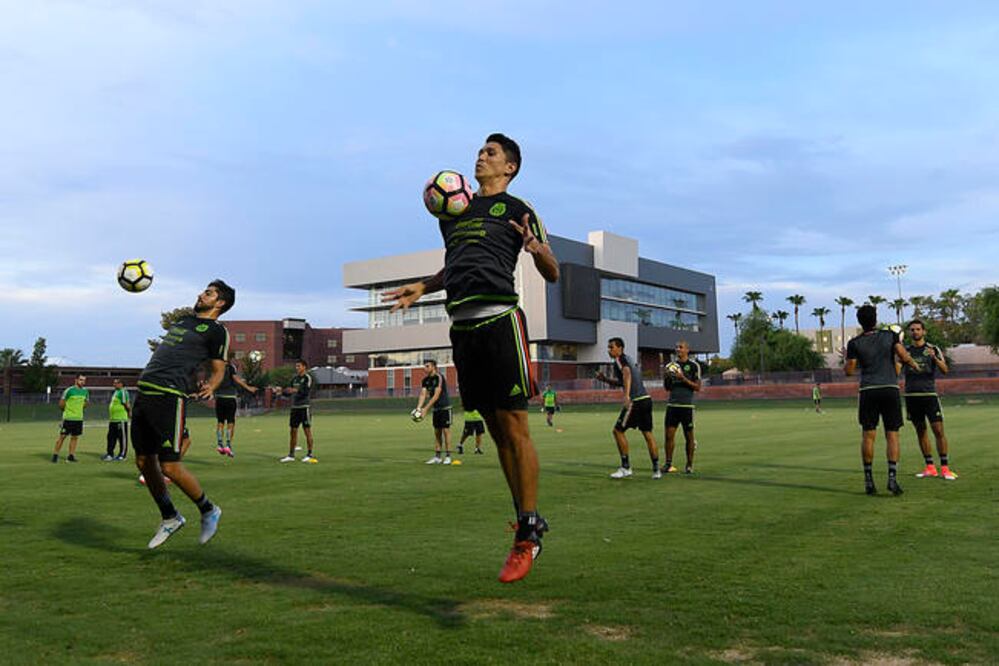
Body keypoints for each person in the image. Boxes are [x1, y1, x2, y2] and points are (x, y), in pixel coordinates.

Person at [384, 133, 559, 583]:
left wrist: (538, 251)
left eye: (491, 153)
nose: (481, 157)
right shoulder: (454, 212)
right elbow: (456, 264)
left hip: (501, 322)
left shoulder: (520, 210)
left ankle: (529, 530)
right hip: (463, 329)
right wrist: (423, 286)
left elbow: (553, 270)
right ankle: (524, 520)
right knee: (498, 431)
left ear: (510, 168)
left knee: (516, 425)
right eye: (480, 151)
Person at [131, 281, 231, 548]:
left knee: (170, 466)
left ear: (220, 303)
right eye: (203, 291)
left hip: (168, 396)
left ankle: (209, 510)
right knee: (143, 462)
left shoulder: (217, 331)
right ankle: (170, 517)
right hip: (145, 391)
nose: (201, 294)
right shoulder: (184, 321)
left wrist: (211, 384)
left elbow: (218, 369)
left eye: (209, 293)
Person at [844, 305, 920, 496]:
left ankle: (869, 480)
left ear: (859, 321)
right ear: (875, 319)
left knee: (868, 435)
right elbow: (902, 356)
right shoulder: (889, 336)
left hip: (868, 390)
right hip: (889, 388)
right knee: (892, 434)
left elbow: (849, 371)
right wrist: (913, 364)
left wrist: (848, 359)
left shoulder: (854, 343)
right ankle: (892, 479)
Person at [596, 338, 661, 479]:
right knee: (648, 434)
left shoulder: (620, 360)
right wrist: (605, 379)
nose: (609, 350)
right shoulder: (630, 359)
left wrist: (626, 396)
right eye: (608, 347)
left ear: (620, 348)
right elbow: (622, 381)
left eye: (611, 347)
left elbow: (626, 374)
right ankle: (656, 470)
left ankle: (626, 467)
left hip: (635, 401)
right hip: (646, 400)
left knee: (618, 431)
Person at [901, 319, 957, 481]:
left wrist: (935, 358)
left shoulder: (933, 349)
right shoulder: (905, 350)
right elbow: (897, 370)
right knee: (921, 431)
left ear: (924, 331)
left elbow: (945, 370)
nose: (915, 332)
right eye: (912, 330)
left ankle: (945, 468)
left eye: (918, 329)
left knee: (938, 431)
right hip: (912, 396)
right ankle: (930, 467)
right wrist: (901, 359)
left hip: (929, 395)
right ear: (909, 333)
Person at [663, 341, 702, 474]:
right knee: (668, 436)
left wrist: (683, 378)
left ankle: (689, 465)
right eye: (676, 347)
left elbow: (697, 387)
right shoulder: (670, 366)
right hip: (672, 405)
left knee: (689, 436)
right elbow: (667, 388)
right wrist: (667, 378)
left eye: (681, 347)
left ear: (687, 350)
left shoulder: (693, 366)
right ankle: (668, 464)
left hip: (687, 406)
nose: (678, 349)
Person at [214, 353, 258, 457]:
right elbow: (236, 379)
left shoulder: (217, 367)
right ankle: (228, 445)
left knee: (220, 422)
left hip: (219, 398)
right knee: (231, 422)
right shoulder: (231, 367)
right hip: (230, 397)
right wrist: (248, 387)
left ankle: (220, 444)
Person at [414, 360, 453, 464]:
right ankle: (437, 457)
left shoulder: (439, 377)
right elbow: (423, 394)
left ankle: (448, 456)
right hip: (436, 409)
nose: (425, 368)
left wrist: (425, 409)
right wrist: (418, 408)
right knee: (437, 433)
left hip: (445, 408)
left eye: (427, 366)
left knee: (446, 431)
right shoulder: (425, 380)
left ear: (434, 367)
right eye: (424, 366)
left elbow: (436, 395)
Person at [277, 360, 316, 463]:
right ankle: (291, 455)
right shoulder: (294, 379)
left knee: (307, 430)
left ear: (304, 367)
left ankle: (309, 454)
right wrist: (281, 391)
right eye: (296, 366)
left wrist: (295, 390)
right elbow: (289, 392)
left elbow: (305, 392)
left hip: (304, 407)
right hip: (295, 408)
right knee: (293, 431)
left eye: (299, 366)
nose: (297, 368)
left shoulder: (307, 378)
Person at [52, 374, 88, 463]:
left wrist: (79, 409)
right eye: (81, 380)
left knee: (75, 437)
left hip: (79, 419)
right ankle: (55, 455)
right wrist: (67, 411)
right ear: (76, 380)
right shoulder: (69, 390)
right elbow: (61, 403)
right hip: (68, 418)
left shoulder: (85, 391)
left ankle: (71, 456)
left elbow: (86, 403)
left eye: (84, 380)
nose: (82, 382)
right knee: (62, 436)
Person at [102, 378, 130, 461]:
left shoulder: (123, 391)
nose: (114, 384)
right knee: (111, 437)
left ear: (121, 384)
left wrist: (129, 412)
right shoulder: (116, 392)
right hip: (113, 420)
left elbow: (127, 404)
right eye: (114, 383)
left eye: (116, 383)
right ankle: (110, 454)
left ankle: (122, 455)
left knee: (122, 438)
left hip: (120, 419)